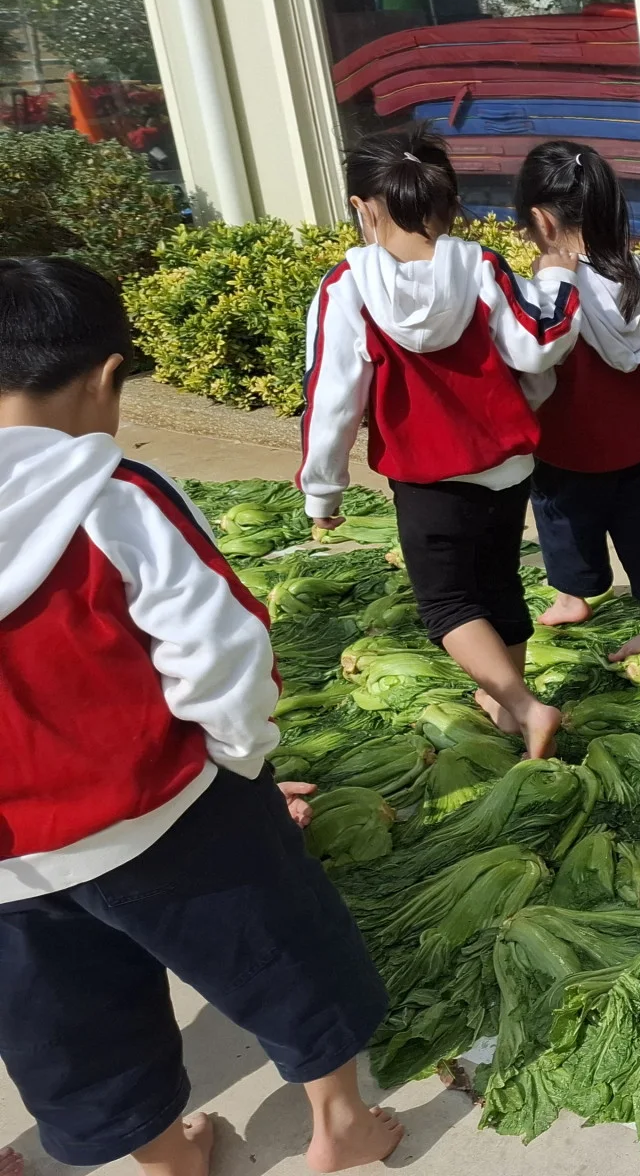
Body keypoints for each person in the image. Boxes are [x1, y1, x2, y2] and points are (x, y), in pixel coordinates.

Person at [0, 257, 401, 1176]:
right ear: (107, 377)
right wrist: (239, 759)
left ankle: (165, 1154)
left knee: (73, 1022)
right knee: (282, 951)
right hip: (166, 813)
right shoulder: (113, 498)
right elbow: (220, 647)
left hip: (13, 863)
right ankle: (339, 1127)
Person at [299, 128, 581, 760]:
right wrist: (560, 280)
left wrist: (323, 487)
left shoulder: (346, 285)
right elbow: (537, 345)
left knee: (448, 603)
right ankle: (506, 704)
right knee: (498, 582)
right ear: (448, 201)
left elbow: (333, 394)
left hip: (427, 476)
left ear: (362, 206)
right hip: (506, 466)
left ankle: (525, 706)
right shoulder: (481, 266)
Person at [514, 140, 640, 660]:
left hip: (569, 449)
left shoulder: (552, 295)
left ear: (541, 222)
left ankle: (573, 595)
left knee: (562, 521)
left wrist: (515, 428)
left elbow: (535, 373)